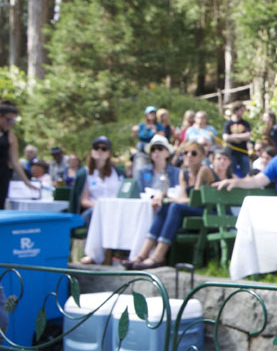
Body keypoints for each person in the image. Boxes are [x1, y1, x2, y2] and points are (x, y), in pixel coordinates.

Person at [124, 140, 218, 270]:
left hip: (210, 214)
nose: (188, 156)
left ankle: (159, 255)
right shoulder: (183, 173)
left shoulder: (204, 170)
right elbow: (184, 198)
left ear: (202, 156)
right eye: (185, 153)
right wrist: (165, 197)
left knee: (174, 206)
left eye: (193, 153)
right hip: (194, 211)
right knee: (166, 207)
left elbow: (195, 201)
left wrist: (170, 200)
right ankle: (142, 254)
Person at [78, 136, 124, 262]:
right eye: (96, 148)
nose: (100, 151)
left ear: (109, 153)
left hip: (116, 209)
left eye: (104, 148)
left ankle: (119, 252)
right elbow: (84, 200)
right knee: (93, 215)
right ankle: (93, 253)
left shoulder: (118, 173)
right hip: (94, 209)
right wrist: (100, 207)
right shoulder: (85, 173)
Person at [0, 102, 37, 206]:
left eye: (13, 121)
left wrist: (27, 182)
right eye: (8, 120)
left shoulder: (11, 137)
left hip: (2, 176)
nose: (11, 123)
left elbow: (14, 162)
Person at [222, 101, 252, 177]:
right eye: (241, 110)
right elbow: (225, 137)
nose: (243, 112)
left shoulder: (245, 123)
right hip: (231, 153)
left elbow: (248, 136)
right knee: (231, 173)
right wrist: (241, 137)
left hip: (243, 152)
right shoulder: (228, 123)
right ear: (236, 110)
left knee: (246, 173)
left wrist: (233, 136)